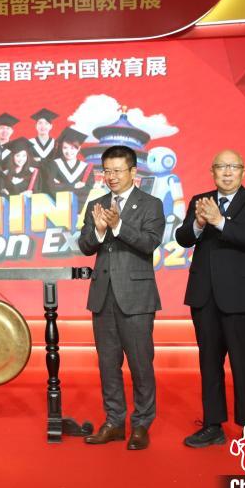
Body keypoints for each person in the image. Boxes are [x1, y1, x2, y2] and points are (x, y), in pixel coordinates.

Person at [175, 150, 245, 454]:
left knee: (243, 362)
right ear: (212, 172)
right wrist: (199, 223)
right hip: (204, 295)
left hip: (241, 296)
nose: (227, 172)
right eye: (221, 167)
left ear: (243, 172)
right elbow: (183, 238)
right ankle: (213, 425)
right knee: (209, 362)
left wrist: (219, 221)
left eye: (233, 167)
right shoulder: (201, 200)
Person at [78, 145, 164, 450]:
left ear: (133, 172)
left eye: (117, 170)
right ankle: (114, 422)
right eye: (107, 171)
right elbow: (85, 246)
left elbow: (149, 242)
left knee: (141, 363)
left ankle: (141, 424)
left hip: (136, 297)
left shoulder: (150, 204)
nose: (111, 176)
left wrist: (118, 226)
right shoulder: (97, 203)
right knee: (107, 364)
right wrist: (100, 231)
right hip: (103, 296)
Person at [44, 127, 95, 209]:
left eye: (72, 148)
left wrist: (61, 186)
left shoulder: (86, 168)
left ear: (79, 148)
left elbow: (88, 190)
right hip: (59, 207)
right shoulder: (55, 164)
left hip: (79, 209)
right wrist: (73, 186)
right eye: (65, 148)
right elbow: (50, 186)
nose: (68, 152)